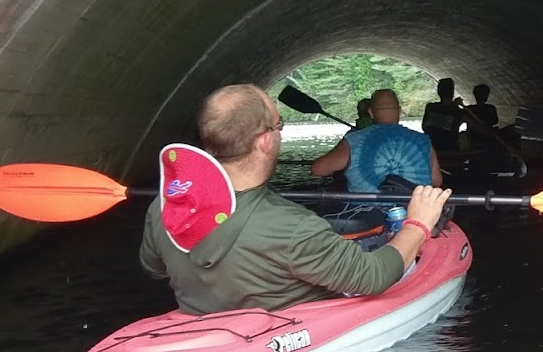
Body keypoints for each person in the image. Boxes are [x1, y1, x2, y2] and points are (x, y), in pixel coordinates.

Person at [141, 84, 449, 314]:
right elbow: (373, 276)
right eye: (279, 126)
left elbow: (154, 267)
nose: (280, 133)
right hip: (286, 340)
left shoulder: (165, 206)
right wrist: (418, 224)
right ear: (265, 140)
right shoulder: (296, 227)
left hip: (203, 322)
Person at [312, 88, 441, 190]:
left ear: (371, 112)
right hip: (414, 212)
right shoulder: (423, 141)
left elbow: (318, 169)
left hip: (366, 212)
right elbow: (436, 180)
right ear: (400, 111)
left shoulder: (354, 140)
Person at [422, 77, 467, 154]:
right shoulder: (458, 110)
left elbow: (425, 127)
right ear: (452, 92)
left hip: (432, 149)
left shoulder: (431, 107)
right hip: (451, 149)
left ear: (439, 92)